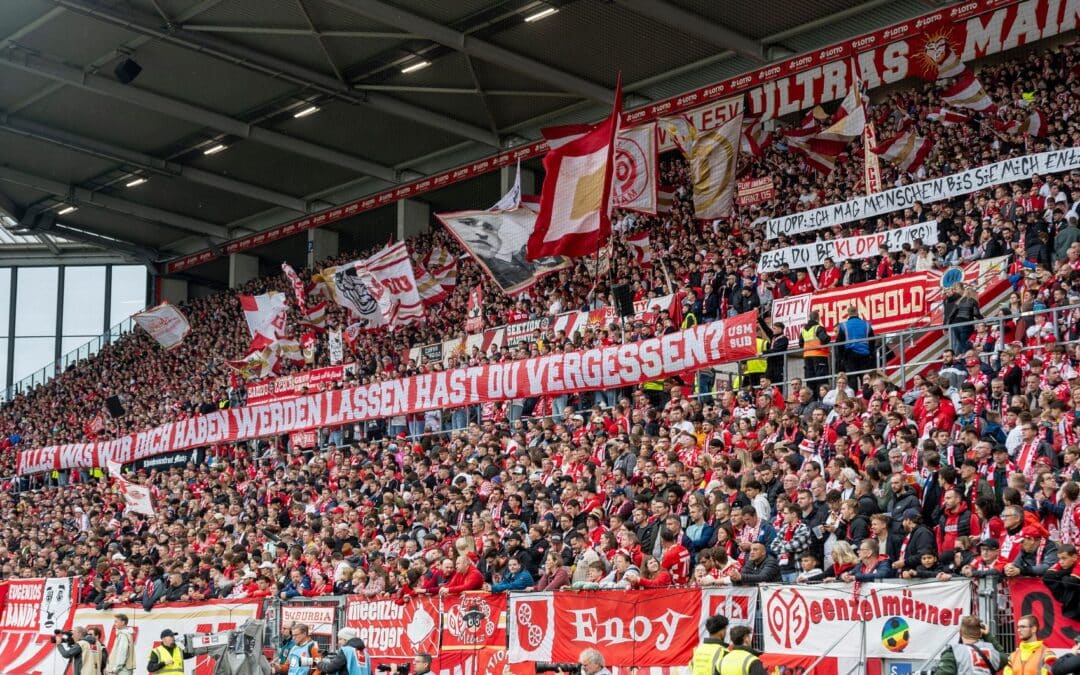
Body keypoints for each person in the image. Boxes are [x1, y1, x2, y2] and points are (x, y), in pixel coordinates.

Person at [935, 615, 1006, 675]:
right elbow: (1004, 657)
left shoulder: (953, 653)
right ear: (980, 633)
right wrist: (987, 635)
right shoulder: (992, 653)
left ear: (960, 632)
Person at [835, 306, 875, 374]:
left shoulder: (843, 325)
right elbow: (872, 341)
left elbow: (839, 343)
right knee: (865, 378)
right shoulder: (867, 324)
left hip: (850, 356)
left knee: (852, 378)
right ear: (857, 312)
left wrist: (841, 357)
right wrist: (871, 354)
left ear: (848, 314)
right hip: (865, 355)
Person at [798, 311, 830, 394]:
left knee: (810, 380)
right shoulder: (818, 328)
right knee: (821, 380)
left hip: (807, 357)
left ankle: (812, 400)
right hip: (819, 356)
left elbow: (801, 344)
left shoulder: (804, 331)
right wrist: (829, 337)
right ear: (818, 318)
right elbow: (825, 339)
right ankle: (822, 399)